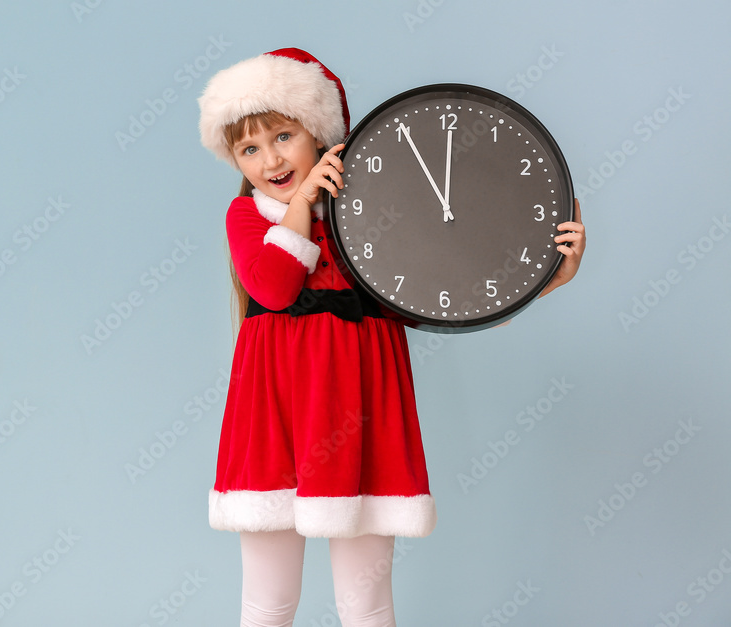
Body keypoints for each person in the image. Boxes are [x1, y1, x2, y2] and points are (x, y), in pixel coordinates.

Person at [197, 48, 585, 627]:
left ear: (322, 136)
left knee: (368, 603)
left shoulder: (371, 219)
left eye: (283, 136)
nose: (270, 159)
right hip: (277, 419)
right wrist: (302, 203)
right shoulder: (248, 217)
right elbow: (276, 288)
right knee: (269, 601)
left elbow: (440, 301)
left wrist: (550, 279)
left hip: (361, 420)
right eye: (249, 148)